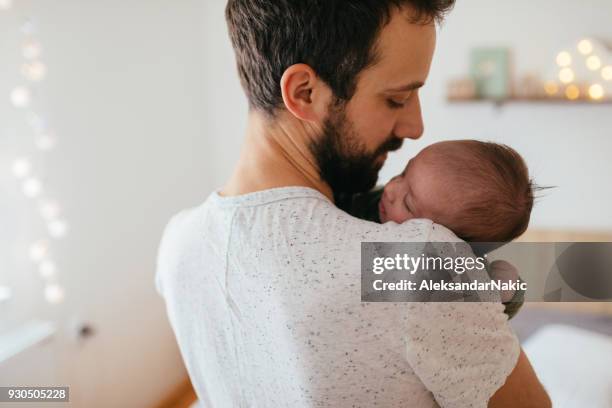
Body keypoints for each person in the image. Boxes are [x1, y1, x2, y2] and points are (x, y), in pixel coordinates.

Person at [155, 1, 551, 406]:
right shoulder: (416, 262)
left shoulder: (177, 245)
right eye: (396, 99)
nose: (416, 128)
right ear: (304, 93)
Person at [337, 140, 533, 316]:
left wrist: (507, 292)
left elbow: (489, 311)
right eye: (403, 174)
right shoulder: (368, 200)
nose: (390, 188)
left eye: (407, 203)